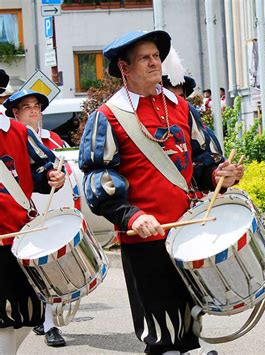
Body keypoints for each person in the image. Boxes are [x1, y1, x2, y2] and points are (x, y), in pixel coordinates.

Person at [78, 30, 242, 354]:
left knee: (188, 328)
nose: (155, 62)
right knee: (162, 334)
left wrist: (219, 174)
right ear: (125, 68)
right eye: (145, 58)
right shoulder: (108, 117)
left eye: (156, 56)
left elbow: (201, 161)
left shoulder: (179, 107)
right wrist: (131, 216)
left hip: (188, 233)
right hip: (146, 240)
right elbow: (98, 179)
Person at [0, 70, 66, 354]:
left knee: (29, 313)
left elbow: (42, 167)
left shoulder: (18, 132)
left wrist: (52, 175)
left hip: (20, 236)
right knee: (2, 319)